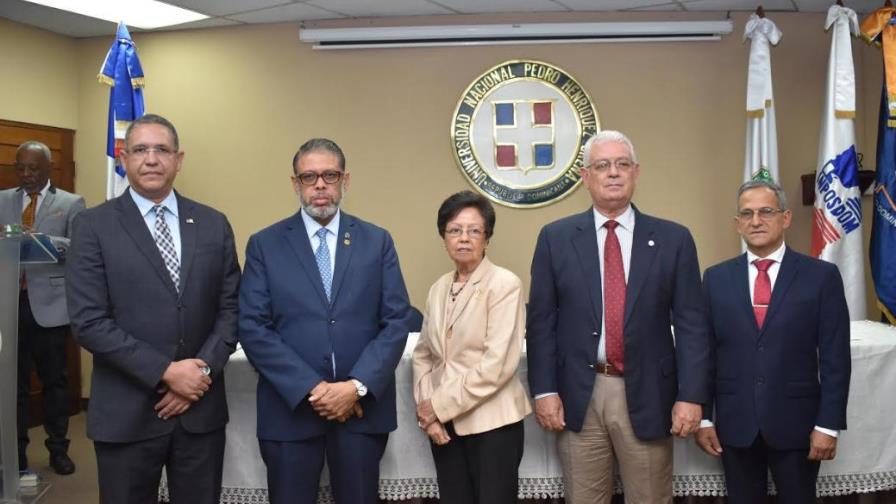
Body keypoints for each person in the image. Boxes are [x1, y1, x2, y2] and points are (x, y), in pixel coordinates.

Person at [526, 130, 709, 503]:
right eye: (602, 165)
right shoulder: (555, 238)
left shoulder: (673, 239)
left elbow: (692, 325)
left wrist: (691, 396)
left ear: (636, 172)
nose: (613, 173)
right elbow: (541, 322)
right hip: (580, 392)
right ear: (585, 176)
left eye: (622, 164)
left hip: (648, 392)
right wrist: (545, 391)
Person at [66, 114, 240, 504]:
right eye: (140, 150)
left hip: (200, 411)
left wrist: (199, 374)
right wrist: (165, 372)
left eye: (161, 150)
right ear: (123, 158)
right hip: (127, 413)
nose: (151, 159)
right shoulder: (93, 226)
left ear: (179, 160)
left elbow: (231, 309)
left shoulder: (213, 224)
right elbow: (89, 322)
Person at [238, 138, 412, 504]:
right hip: (291, 410)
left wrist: (355, 387)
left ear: (345, 181)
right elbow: (253, 326)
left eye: (329, 175)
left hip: (360, 411)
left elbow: (396, 321)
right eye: (309, 176)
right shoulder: (265, 245)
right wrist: (314, 389)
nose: (319, 185)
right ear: (295, 184)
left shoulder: (376, 241)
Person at [696, 180, 851, 503]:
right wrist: (706, 417)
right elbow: (706, 355)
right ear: (737, 224)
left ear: (786, 218)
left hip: (798, 424)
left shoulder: (821, 277)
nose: (756, 221)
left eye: (766, 211)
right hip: (735, 425)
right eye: (747, 214)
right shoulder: (715, 278)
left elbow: (836, 358)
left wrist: (828, 425)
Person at [412, 190, 531, 504]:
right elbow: (424, 354)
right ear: (444, 238)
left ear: (486, 239)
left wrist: (437, 406)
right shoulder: (438, 288)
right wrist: (431, 416)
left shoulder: (504, 284)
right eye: (454, 230)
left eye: (474, 231)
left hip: (493, 425)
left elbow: (497, 365)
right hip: (444, 426)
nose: (463, 238)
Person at [0, 141, 85, 477]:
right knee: (12, 384)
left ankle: (58, 449)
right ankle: (16, 453)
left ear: (49, 168)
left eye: (33, 168)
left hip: (50, 307)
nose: (26, 175)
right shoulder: (3, 199)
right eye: (20, 168)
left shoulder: (70, 202)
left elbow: (79, 247)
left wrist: (42, 241)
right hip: (9, 305)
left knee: (54, 382)